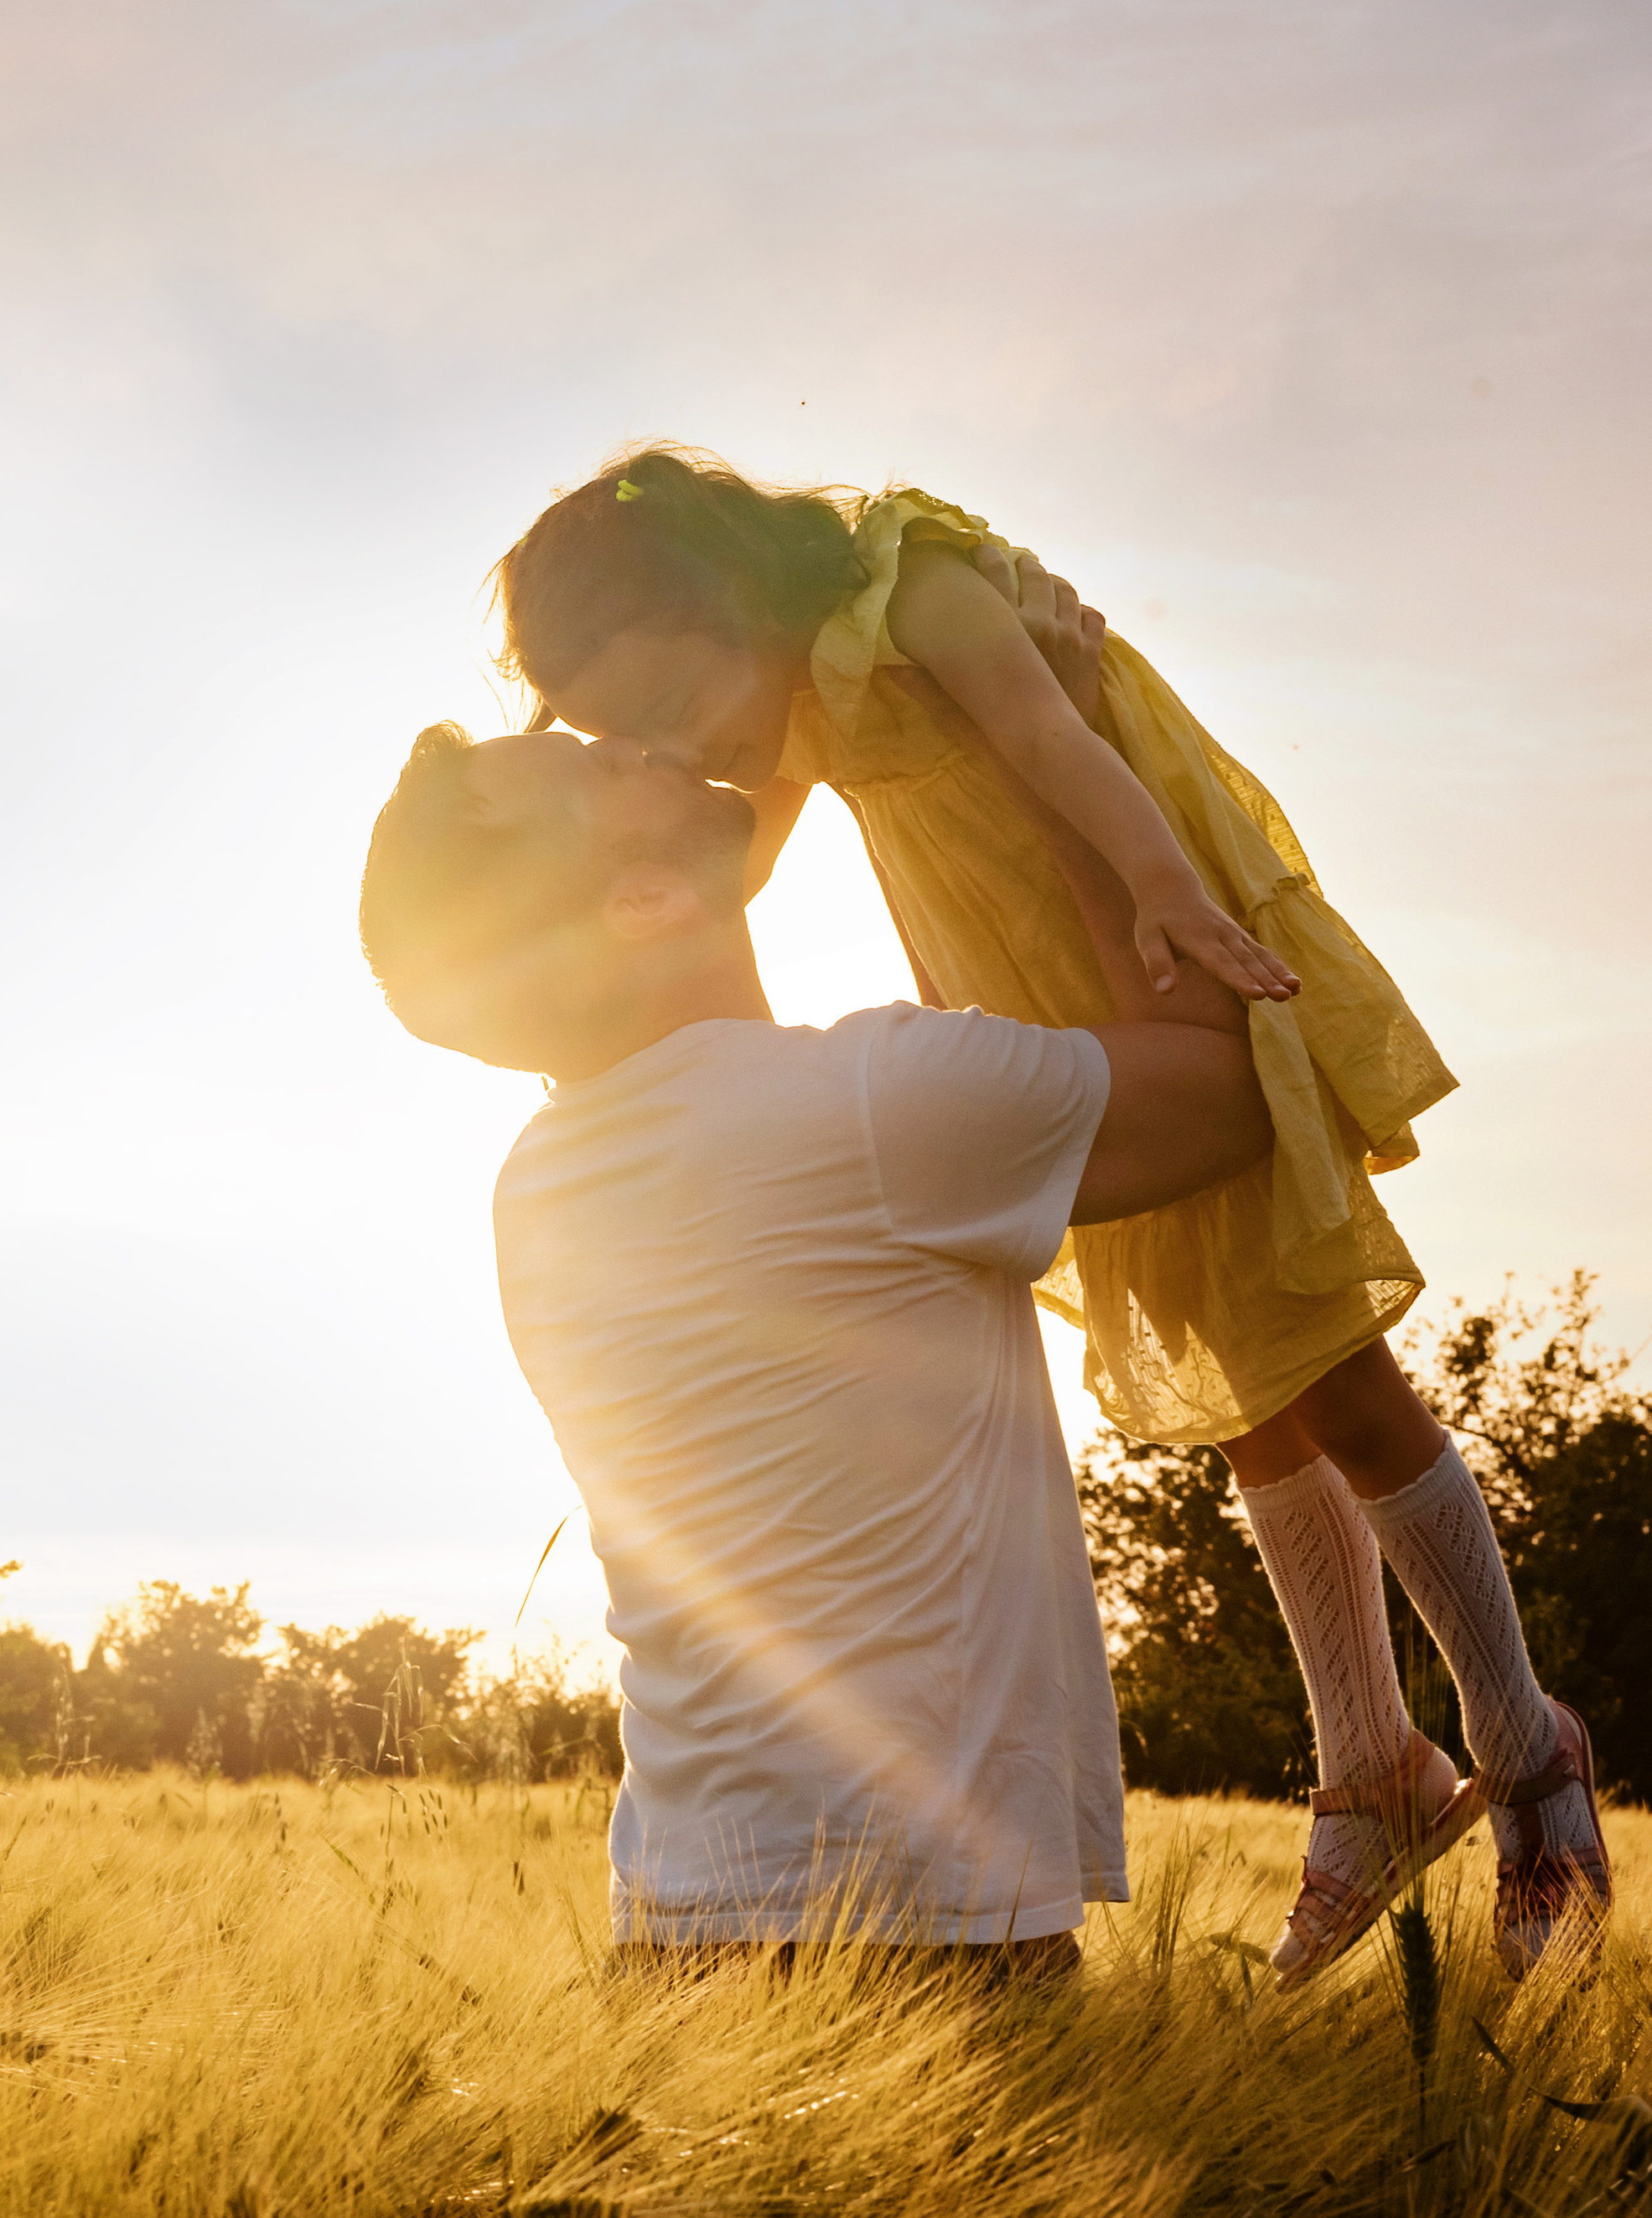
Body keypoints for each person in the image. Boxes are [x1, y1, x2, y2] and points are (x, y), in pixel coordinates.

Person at [487, 449, 1608, 1982]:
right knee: (1241, 1386)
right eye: (637, 743)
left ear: (732, 594)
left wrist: (1162, 894)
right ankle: (1372, 1768)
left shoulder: (910, 587)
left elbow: (1048, 736)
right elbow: (720, 873)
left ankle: (1521, 1739)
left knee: (1328, 1362)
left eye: (674, 711)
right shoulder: (786, 698)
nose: (688, 758)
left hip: (1145, 926)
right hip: (1039, 987)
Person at [359, 661, 1274, 1977]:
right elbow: (1233, 1083)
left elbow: (679, 930)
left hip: (683, 1912)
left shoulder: (541, 1186)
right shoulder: (874, 1104)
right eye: (607, 767)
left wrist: (804, 705)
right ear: (641, 898)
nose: (644, 739)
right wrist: (1051, 744)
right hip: (920, 1933)